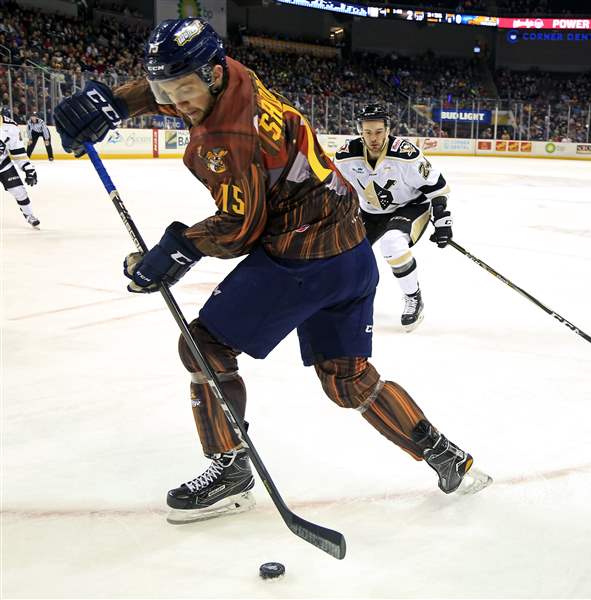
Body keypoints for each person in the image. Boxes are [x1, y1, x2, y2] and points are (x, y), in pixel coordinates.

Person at [54, 19, 489, 524]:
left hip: (300, 257)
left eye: (185, 91)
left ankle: (230, 474)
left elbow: (239, 228)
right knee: (347, 381)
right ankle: (445, 455)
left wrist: (175, 250)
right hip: (350, 253)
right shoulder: (235, 74)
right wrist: (121, 101)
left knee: (203, 347)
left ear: (212, 75)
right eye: (164, 90)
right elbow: (176, 89)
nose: (177, 102)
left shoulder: (229, 138)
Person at [333, 104, 452, 331]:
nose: (373, 138)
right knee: (345, 252)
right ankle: (348, 298)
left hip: (410, 207)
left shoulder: (405, 155)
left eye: (378, 131)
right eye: (368, 132)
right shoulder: (346, 156)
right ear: (361, 131)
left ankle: (413, 297)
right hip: (370, 212)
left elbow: (436, 186)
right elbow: (334, 189)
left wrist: (443, 220)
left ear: (388, 129)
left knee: (392, 243)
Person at [1, 107, 40, 228]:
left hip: (2, 164)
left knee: (19, 191)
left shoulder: (10, 127)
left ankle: (29, 215)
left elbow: (18, 152)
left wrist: (28, 168)